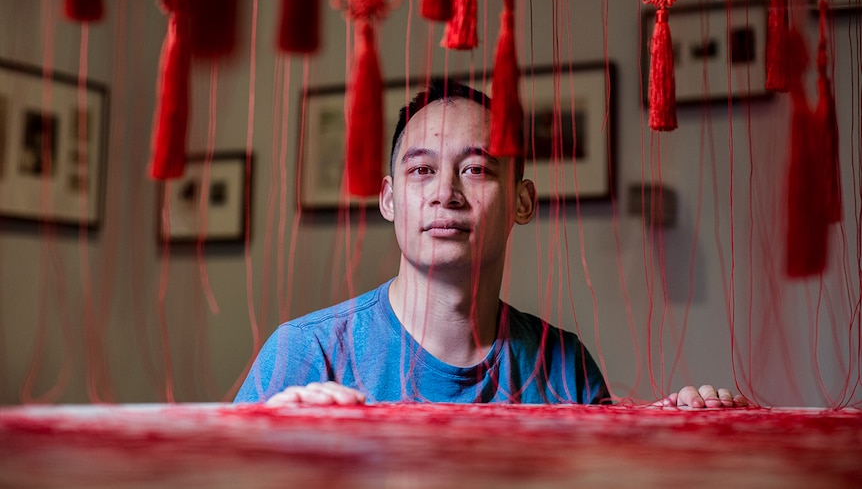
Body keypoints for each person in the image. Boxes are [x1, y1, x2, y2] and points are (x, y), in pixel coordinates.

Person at [235, 79, 746, 409]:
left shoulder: (564, 364)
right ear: (389, 199)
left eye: (476, 169)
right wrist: (271, 447)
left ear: (523, 202)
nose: (446, 194)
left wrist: (681, 438)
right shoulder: (307, 352)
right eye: (422, 171)